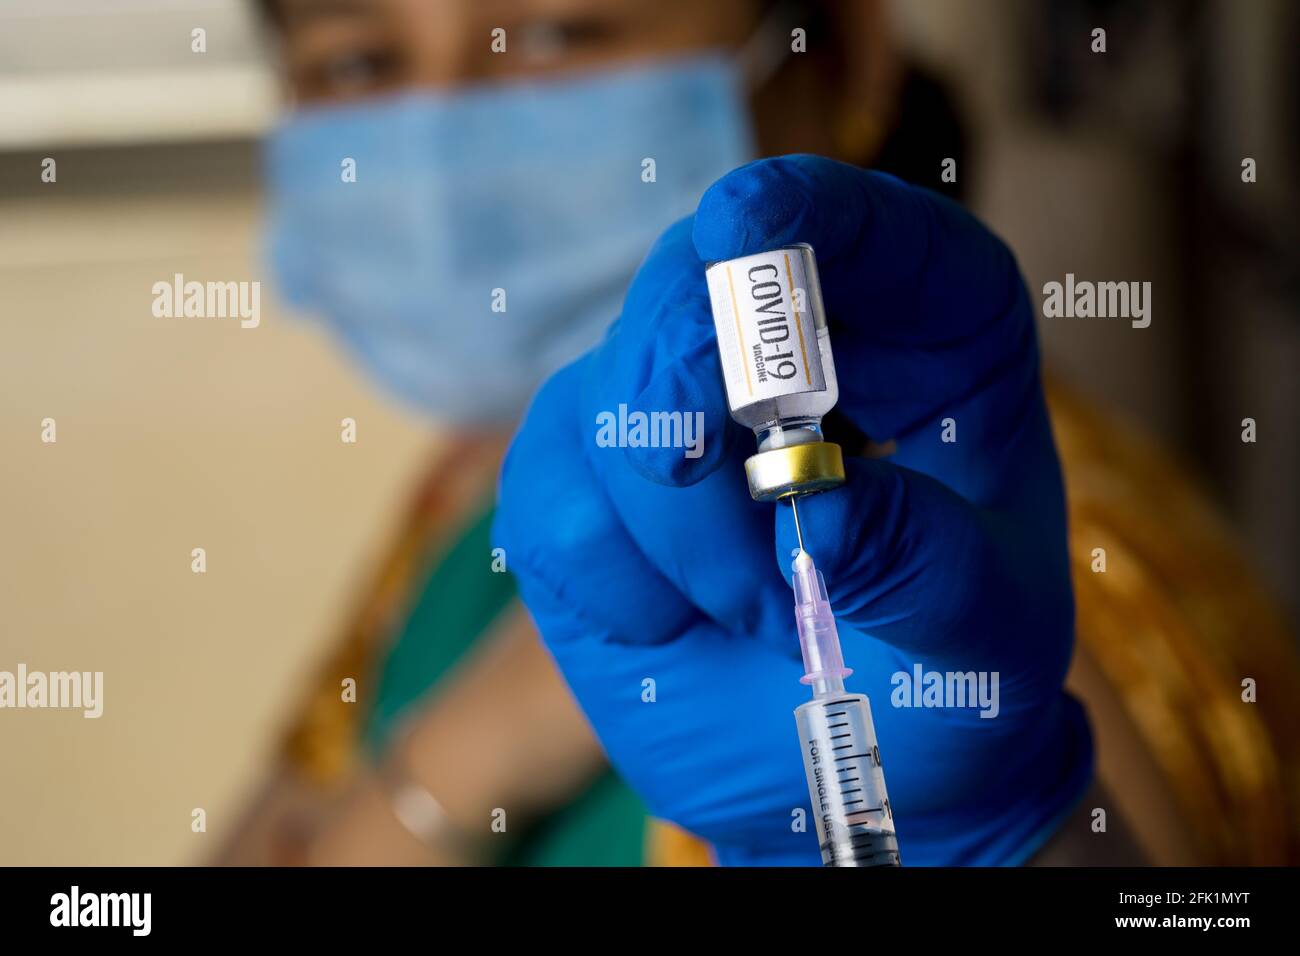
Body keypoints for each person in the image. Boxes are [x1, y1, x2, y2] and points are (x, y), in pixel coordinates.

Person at [218, 0, 1299, 866]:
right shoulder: (470, 494)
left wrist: (998, 834)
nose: (442, 134)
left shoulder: (1006, 574)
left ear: (844, 53)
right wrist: (473, 749)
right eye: (359, 64)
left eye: (557, 35)